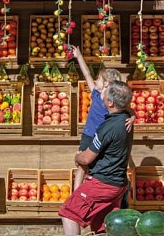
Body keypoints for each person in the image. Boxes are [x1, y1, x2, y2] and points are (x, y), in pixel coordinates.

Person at [59, 80, 134, 236]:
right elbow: (131, 109)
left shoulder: (108, 127)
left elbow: (86, 159)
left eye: (106, 91)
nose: (103, 91)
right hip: (118, 184)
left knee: (69, 213)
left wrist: (77, 156)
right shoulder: (126, 119)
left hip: (102, 184)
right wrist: (133, 116)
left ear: (110, 102)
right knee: (102, 226)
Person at [69, 46, 133, 191]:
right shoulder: (96, 95)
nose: (95, 81)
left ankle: (90, 190)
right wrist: (79, 57)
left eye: (98, 79)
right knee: (82, 164)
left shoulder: (112, 101)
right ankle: (77, 192)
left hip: (102, 137)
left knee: (95, 165)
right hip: (89, 133)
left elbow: (130, 109)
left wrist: (133, 118)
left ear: (105, 84)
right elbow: (86, 75)